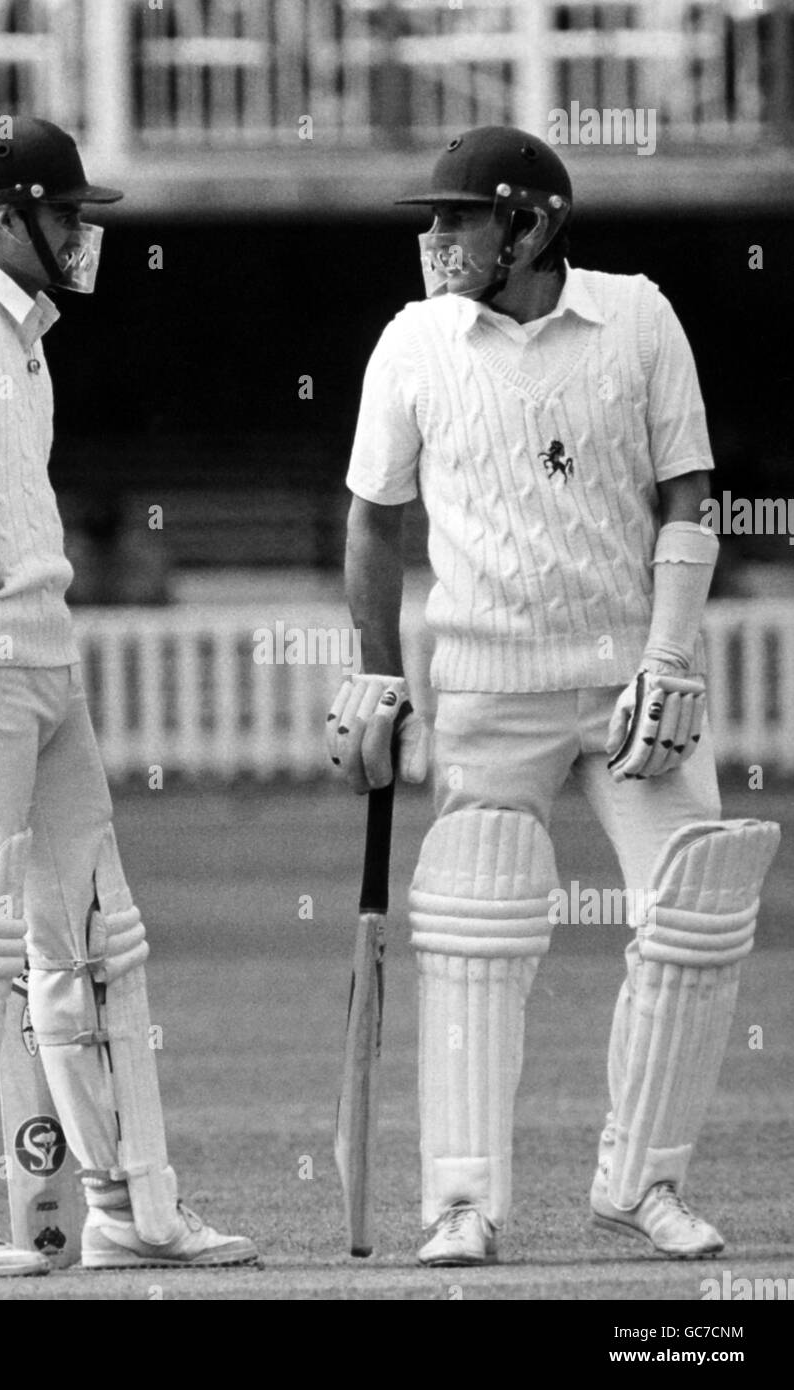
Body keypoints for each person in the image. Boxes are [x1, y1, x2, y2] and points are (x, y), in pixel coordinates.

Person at [327, 126, 778, 1266]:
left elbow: (689, 492)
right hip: (487, 682)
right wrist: (376, 671)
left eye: (457, 218)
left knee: (700, 914)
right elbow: (373, 524)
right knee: (477, 934)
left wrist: (671, 657)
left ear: (527, 225)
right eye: (431, 220)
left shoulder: (637, 315)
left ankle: (642, 1184)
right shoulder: (413, 342)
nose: (435, 239)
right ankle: (464, 1203)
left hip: (634, 677)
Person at [0, 116, 259, 1276]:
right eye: (66, 212)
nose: (82, 231)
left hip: (39, 649)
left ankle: (134, 1208)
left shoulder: (22, 334)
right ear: (0, 216)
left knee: (92, 932)